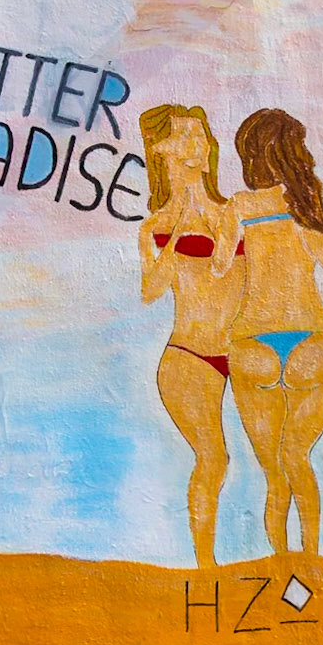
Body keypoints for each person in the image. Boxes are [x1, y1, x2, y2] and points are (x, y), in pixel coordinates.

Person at [226, 107, 323, 556]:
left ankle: (281, 561)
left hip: (251, 343)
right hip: (312, 339)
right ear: (292, 153)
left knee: (273, 473)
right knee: (297, 457)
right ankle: (309, 558)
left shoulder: (239, 208)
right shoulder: (301, 205)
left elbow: (219, 266)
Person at [137, 104, 243, 569]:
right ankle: (205, 566)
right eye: (185, 136)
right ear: (160, 150)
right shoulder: (155, 227)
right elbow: (150, 291)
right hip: (189, 356)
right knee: (214, 460)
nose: (198, 145)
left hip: (241, 351)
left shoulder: (233, 211)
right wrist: (179, 232)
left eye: (201, 135)